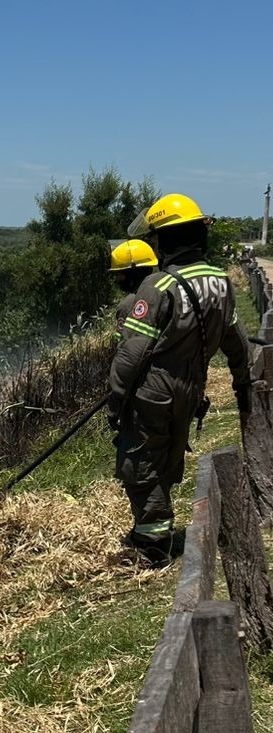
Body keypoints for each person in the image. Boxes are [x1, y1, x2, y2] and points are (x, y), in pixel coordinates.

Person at [110, 193, 251, 564]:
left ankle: (152, 543)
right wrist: (242, 382)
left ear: (168, 239)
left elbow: (131, 354)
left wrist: (116, 400)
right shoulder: (220, 282)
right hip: (192, 389)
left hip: (154, 390)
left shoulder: (158, 287)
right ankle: (158, 526)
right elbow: (235, 340)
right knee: (171, 452)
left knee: (141, 460)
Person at [110, 239, 159, 335]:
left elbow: (124, 345)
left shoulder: (127, 306)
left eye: (119, 274)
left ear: (132, 274)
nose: (117, 279)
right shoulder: (166, 291)